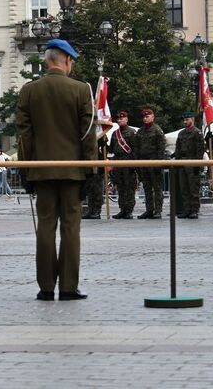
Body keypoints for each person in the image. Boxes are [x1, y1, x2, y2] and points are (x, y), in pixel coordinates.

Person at [16, 39, 96, 301]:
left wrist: (26, 169)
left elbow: (24, 136)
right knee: (71, 227)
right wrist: (90, 169)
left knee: (46, 227)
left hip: (41, 170)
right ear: (67, 60)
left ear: (47, 60)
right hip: (74, 170)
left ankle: (46, 287)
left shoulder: (29, 90)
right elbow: (88, 135)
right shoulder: (81, 90)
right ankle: (69, 287)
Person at [134, 108, 166, 219]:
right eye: (143, 117)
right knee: (146, 188)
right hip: (143, 163)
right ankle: (149, 210)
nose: (145, 118)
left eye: (147, 116)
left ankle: (157, 210)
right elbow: (136, 148)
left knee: (157, 188)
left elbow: (161, 148)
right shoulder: (140, 131)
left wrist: (159, 163)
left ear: (153, 117)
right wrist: (138, 164)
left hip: (154, 162)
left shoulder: (157, 130)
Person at [174, 111, 205, 219]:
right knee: (184, 188)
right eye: (184, 120)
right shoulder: (181, 133)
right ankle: (187, 209)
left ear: (192, 119)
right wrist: (177, 160)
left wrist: (198, 164)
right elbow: (177, 148)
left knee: (193, 189)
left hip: (193, 162)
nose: (185, 121)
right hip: (183, 162)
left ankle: (194, 210)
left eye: (187, 119)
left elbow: (200, 150)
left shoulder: (197, 132)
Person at [109, 111, 137, 219]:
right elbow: (111, 149)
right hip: (118, 162)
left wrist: (133, 165)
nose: (120, 120)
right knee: (120, 188)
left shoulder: (131, 132)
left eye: (122, 118)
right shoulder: (115, 133)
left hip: (128, 161)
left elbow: (135, 150)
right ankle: (122, 209)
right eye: (118, 119)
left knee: (129, 187)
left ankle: (129, 210)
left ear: (126, 119)